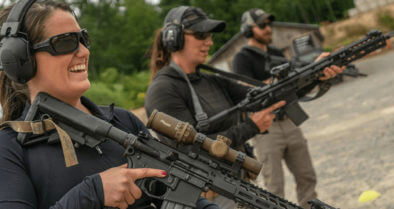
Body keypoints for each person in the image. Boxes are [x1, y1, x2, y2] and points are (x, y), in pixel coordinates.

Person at [0, 1, 216, 209]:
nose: (84, 51)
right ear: (21, 59)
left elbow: (175, 191)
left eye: (83, 39)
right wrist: (92, 193)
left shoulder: (123, 122)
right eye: (65, 42)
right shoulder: (10, 149)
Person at [144, 5, 286, 208]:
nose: (209, 42)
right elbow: (192, 150)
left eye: (209, 35)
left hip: (238, 187)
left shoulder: (211, 81)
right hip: (209, 198)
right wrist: (251, 127)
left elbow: (264, 96)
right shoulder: (163, 90)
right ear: (174, 38)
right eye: (201, 35)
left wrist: (314, 74)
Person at [232, 8, 344, 208]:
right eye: (262, 25)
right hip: (266, 128)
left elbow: (295, 87)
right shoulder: (243, 58)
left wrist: (316, 75)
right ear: (248, 30)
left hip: (290, 120)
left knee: (307, 176)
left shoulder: (276, 53)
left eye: (269, 24)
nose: (268, 29)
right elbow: (248, 94)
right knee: (274, 187)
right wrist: (282, 80)